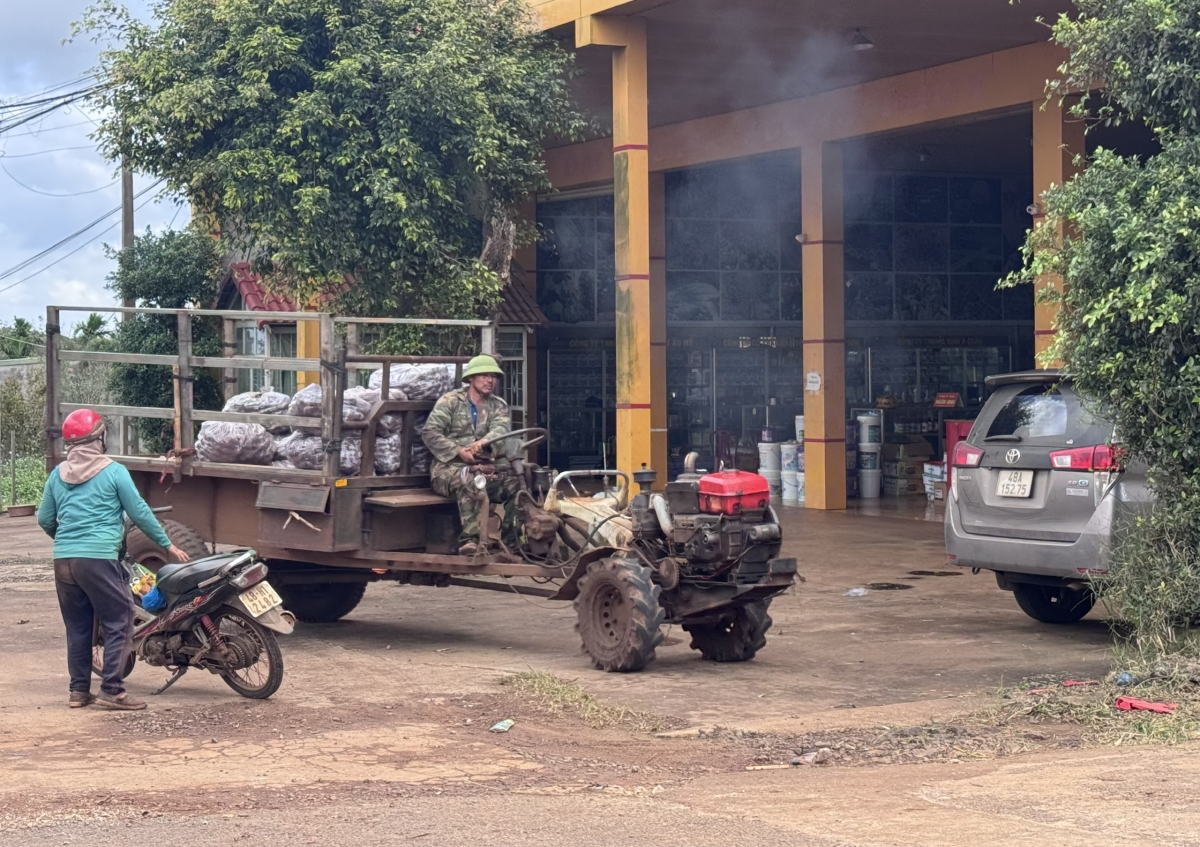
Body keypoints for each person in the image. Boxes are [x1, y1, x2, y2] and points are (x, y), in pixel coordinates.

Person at [37, 408, 191, 711]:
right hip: (98, 559)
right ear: (99, 438)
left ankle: (79, 691)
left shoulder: (57, 474)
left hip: (64, 560)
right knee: (120, 619)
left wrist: (68, 540)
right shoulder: (114, 471)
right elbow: (139, 512)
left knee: (79, 626)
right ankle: (112, 690)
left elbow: (45, 519)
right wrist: (167, 545)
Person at [422, 355, 521, 555]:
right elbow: (430, 433)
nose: (490, 380)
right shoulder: (450, 401)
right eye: (484, 375)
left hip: (484, 469)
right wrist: (459, 452)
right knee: (471, 481)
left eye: (493, 376)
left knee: (517, 486)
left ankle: (513, 543)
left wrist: (484, 443)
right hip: (448, 470)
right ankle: (471, 541)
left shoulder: (498, 405)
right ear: (472, 379)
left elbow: (501, 429)